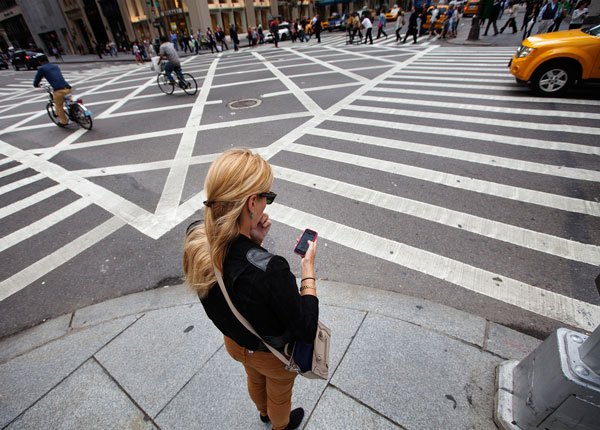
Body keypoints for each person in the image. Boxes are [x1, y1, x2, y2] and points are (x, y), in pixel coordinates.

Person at [183, 148, 318, 430]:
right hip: (271, 354)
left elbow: (235, 279)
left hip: (235, 343)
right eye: (267, 197)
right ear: (251, 203)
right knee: (280, 394)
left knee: (253, 375)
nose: (267, 204)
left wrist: (253, 243)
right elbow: (305, 329)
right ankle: (280, 425)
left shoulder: (196, 240)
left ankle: (262, 413)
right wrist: (308, 270)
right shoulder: (272, 270)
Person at [32, 58, 71, 126]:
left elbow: (37, 79)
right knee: (70, 102)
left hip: (59, 90)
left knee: (58, 106)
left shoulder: (42, 68)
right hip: (67, 87)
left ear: (39, 61)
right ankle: (75, 111)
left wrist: (36, 84)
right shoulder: (55, 66)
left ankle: (64, 121)